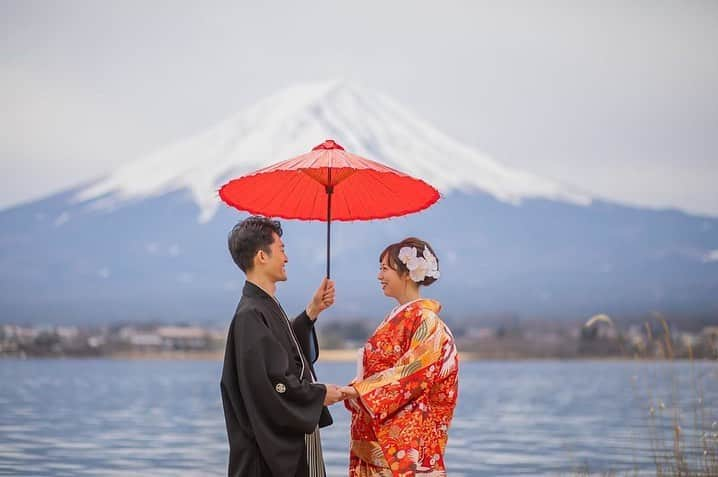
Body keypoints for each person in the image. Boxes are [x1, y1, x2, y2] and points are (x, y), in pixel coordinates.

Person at [220, 216, 345, 477]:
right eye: (282, 249)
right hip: (264, 459)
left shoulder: (263, 306)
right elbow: (271, 385)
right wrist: (319, 395)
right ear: (261, 257)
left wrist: (312, 311)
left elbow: (284, 352)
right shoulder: (250, 315)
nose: (286, 258)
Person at [342, 237, 459, 477]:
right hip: (379, 434)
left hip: (407, 443)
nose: (379, 276)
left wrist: (358, 391)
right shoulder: (398, 318)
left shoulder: (427, 321)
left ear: (407, 273)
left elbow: (413, 374)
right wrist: (358, 390)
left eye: (385, 269)